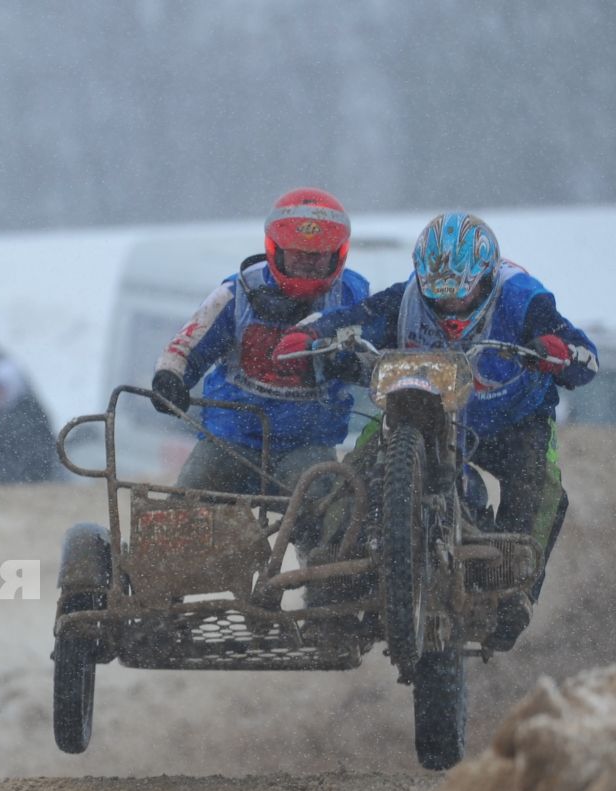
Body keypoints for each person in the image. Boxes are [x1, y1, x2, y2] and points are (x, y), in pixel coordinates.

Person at [280, 212, 598, 648]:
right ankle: (331, 588)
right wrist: (312, 335)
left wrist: (555, 351)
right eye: (437, 297)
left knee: (541, 487)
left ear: (486, 281)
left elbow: (584, 353)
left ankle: (513, 594)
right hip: (422, 408)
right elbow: (358, 316)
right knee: (351, 474)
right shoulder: (406, 297)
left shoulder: (524, 299)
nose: (448, 308)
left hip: (513, 419)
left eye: (460, 296)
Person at [151, 189, 369, 497]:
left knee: (329, 515)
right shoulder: (236, 292)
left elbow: (377, 355)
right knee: (188, 504)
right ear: (275, 249)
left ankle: (326, 547)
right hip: (230, 440)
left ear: (337, 255)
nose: (306, 265)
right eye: (297, 255)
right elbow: (186, 345)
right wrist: (170, 377)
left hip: (306, 447)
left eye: (316, 257)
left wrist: (354, 364)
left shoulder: (353, 299)